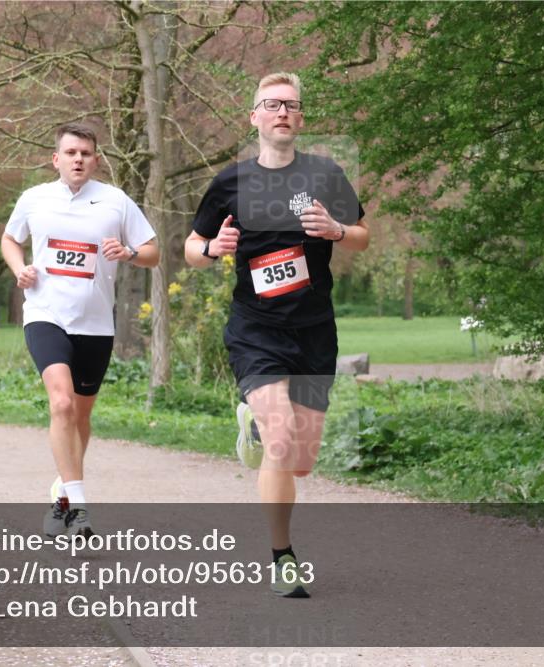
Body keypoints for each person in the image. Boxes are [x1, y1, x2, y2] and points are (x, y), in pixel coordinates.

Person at [185, 72, 368, 597]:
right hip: (256, 329)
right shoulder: (231, 183)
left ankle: (256, 425)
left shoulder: (327, 174)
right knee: (283, 438)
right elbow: (191, 248)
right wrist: (213, 250)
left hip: (313, 331)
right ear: (255, 118)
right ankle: (281, 557)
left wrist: (338, 232)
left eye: (291, 104)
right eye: (271, 104)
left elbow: (362, 235)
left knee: (303, 461)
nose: (282, 111)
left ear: (301, 117)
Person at [1, 122, 158, 539]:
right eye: (71, 153)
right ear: (57, 159)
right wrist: (21, 270)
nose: (78, 160)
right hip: (45, 314)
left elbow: (153, 252)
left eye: (86, 153)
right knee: (62, 405)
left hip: (95, 324)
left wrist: (128, 253)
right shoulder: (35, 199)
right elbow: (9, 239)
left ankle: (63, 496)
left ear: (96, 159)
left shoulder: (115, 202)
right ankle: (80, 508)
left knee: (82, 415)